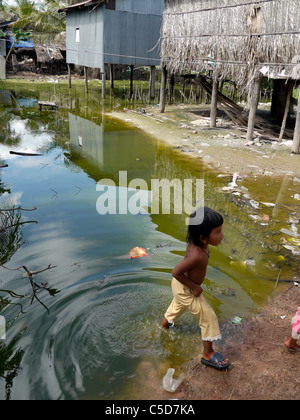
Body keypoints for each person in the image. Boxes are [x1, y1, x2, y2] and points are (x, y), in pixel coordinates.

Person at [161, 207, 231, 370]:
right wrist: (193, 286)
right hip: (185, 288)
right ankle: (208, 354)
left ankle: (163, 326)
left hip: (182, 287)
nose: (222, 236)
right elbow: (175, 272)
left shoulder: (198, 244)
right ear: (203, 237)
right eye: (218, 232)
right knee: (208, 316)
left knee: (177, 306)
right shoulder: (196, 255)